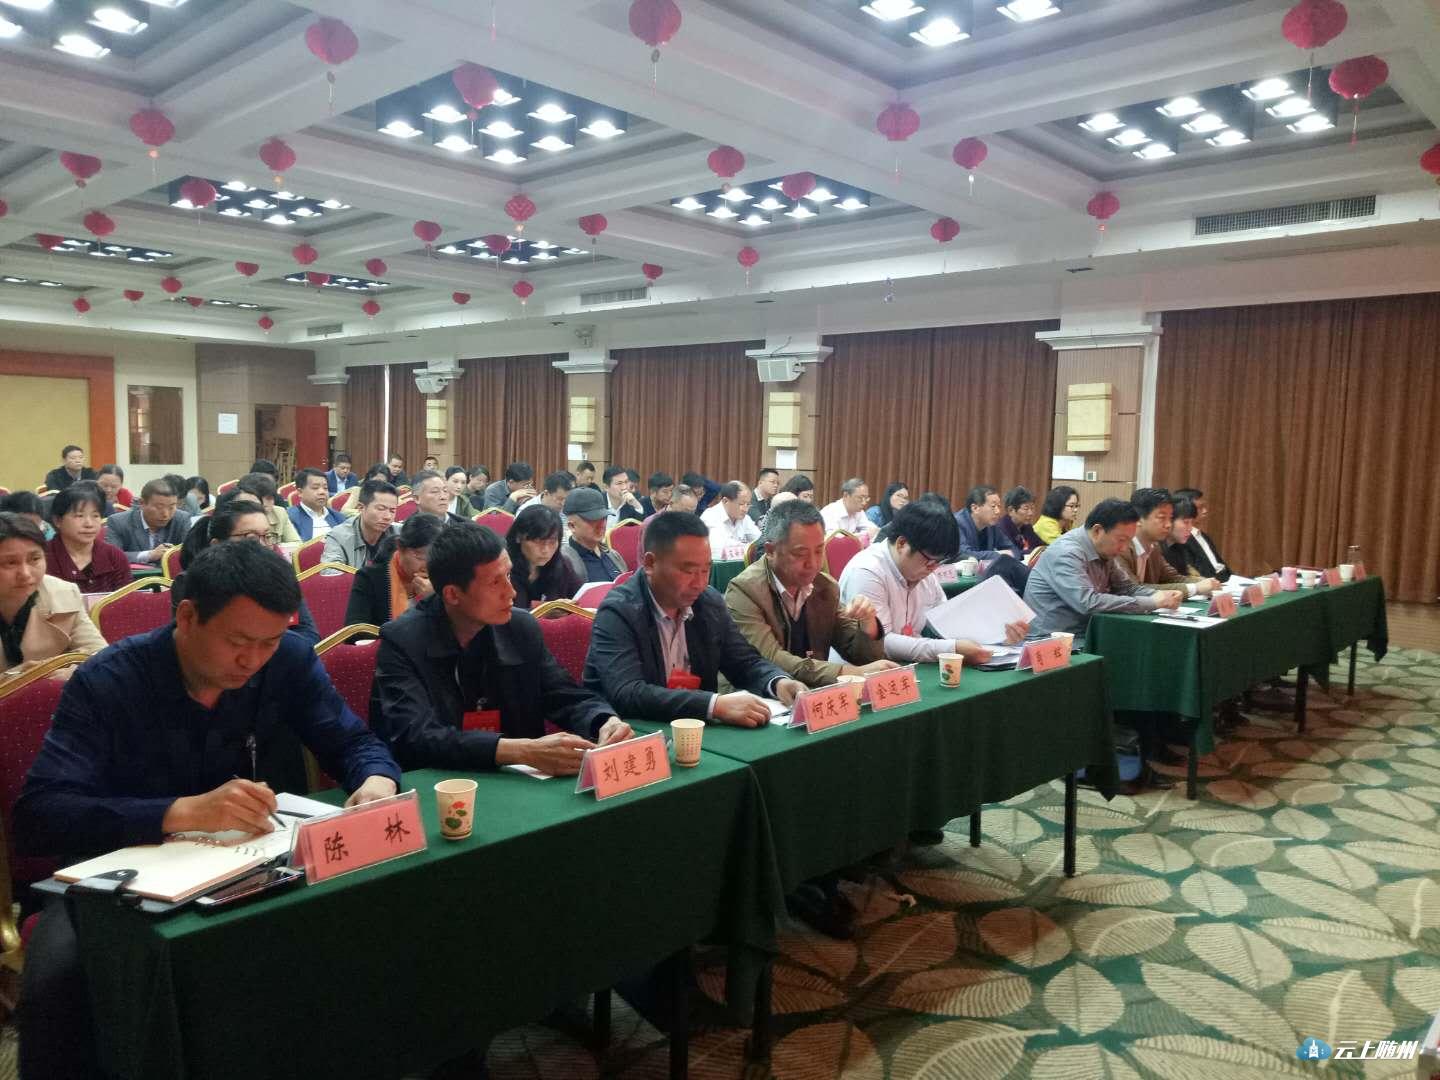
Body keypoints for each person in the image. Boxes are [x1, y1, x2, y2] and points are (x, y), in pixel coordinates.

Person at [13, 541, 401, 1079]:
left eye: (268, 642)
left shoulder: (286, 660)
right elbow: (41, 815)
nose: (253, 660)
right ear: (187, 616)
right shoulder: (110, 680)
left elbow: (353, 742)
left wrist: (376, 781)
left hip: (255, 868)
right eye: (237, 642)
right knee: (57, 981)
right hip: (116, 883)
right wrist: (181, 812)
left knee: (366, 931)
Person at [371, 521, 630, 774]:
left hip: (522, 780)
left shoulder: (520, 627)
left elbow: (563, 694)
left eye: (508, 575)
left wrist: (603, 720)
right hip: (444, 782)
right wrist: (518, 751)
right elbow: (417, 737)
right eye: (495, 582)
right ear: (452, 594)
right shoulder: (403, 640)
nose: (511, 592)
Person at [583, 511, 805, 725]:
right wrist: (713, 705)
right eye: (688, 571)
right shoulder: (619, 611)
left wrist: (777, 682)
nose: (699, 583)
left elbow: (743, 662)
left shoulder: (708, 602)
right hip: (632, 732)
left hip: (696, 731)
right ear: (650, 564)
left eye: (706, 570)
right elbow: (628, 693)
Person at [726, 500, 896, 686]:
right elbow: (771, 659)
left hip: (812, 693)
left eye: (819, 551)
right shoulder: (744, 591)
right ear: (771, 551)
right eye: (800, 554)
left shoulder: (825, 587)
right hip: (759, 696)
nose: (813, 563)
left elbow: (862, 657)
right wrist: (848, 672)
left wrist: (868, 625)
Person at [838, 500, 1022, 664]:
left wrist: (997, 636)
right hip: (861, 675)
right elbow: (883, 643)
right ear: (902, 544)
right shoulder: (867, 571)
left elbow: (948, 622)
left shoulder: (925, 571)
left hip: (907, 667)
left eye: (939, 562)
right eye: (929, 560)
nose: (933, 568)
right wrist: (951, 649)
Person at [1022, 497, 1182, 638]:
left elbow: (1127, 588)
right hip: (1051, 640)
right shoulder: (1067, 553)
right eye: (1121, 540)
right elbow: (1088, 603)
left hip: (1088, 632)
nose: (1124, 548)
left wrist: (1160, 595)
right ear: (1097, 531)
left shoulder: (1104, 550)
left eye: (1129, 541)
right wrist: (1152, 602)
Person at [173, 497, 320, 645]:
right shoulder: (193, 582)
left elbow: (309, 635)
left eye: (267, 536)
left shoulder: (282, 577)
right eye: (251, 538)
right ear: (217, 545)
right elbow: (200, 643)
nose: (262, 545)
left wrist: (272, 643)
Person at [0, 512, 106, 677]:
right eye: (10, 563)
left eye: (35, 559)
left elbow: (100, 656)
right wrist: (18, 679)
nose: (26, 574)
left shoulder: (64, 593)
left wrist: (68, 673)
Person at [1113, 488, 1219, 598]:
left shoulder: (1153, 547)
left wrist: (1205, 582)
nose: (1168, 524)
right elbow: (1133, 589)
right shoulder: (1121, 548)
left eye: (1170, 518)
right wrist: (1195, 588)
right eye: (1162, 518)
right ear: (1138, 519)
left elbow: (1172, 578)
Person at [345, 512, 444, 628]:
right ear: (400, 547)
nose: (427, 565)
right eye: (420, 556)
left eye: (434, 557)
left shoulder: (444, 576)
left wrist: (435, 598)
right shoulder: (370, 577)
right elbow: (356, 630)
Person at [43, 485, 129, 594]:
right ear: (58, 521)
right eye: (79, 516)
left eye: (95, 516)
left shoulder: (114, 557)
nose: (89, 524)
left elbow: (128, 602)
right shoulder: (43, 557)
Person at [507, 505, 582, 607]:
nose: (545, 550)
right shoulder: (503, 569)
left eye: (552, 542)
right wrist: (547, 609)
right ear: (518, 537)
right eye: (538, 541)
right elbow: (508, 611)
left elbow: (580, 598)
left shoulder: (562, 564)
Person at [104, 478, 192, 564]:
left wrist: (172, 554)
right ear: (142, 503)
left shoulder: (181, 519)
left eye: (171, 507)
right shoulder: (118, 522)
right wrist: (149, 555)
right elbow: (112, 557)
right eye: (159, 507)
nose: (166, 514)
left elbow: (190, 554)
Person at [322, 479, 399, 569]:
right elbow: (331, 572)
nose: (388, 517)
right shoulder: (339, 536)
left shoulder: (400, 534)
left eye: (392, 511)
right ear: (361, 508)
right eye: (381, 509)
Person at [559, 487, 626, 582]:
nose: (601, 525)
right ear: (572, 526)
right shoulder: (564, 563)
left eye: (604, 518)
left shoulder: (614, 556)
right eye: (593, 519)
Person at [1173, 487, 1231, 582]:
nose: (1205, 511)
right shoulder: (1181, 539)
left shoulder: (1204, 536)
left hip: (1226, 581)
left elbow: (1220, 565)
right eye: (1200, 508)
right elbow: (1194, 574)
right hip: (1209, 583)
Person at [236, 472, 300, 546]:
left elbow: (296, 544)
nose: (264, 503)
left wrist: (273, 547)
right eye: (259, 498)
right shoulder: (235, 515)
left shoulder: (280, 512)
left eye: (269, 498)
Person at [702, 481, 760, 557]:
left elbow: (759, 540)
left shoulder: (745, 518)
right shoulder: (710, 516)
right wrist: (750, 548)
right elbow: (720, 549)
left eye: (748, 504)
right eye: (741, 504)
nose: (745, 509)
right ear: (725, 501)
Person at [286, 468, 345, 542]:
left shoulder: (338, 517)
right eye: (315, 488)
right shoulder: (290, 517)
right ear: (300, 492)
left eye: (325, 488)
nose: (322, 492)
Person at [997, 486, 1044, 555]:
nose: (1030, 513)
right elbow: (1013, 553)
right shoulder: (1001, 528)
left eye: (1032, 508)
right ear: (1011, 510)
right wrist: (1034, 552)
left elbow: (1040, 546)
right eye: (1026, 509)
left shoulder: (1027, 527)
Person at [1162, 498, 1201, 578]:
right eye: (1186, 522)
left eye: (1192, 523)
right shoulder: (1155, 548)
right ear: (1169, 520)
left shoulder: (1179, 547)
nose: (1190, 528)